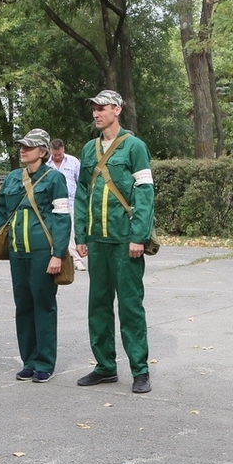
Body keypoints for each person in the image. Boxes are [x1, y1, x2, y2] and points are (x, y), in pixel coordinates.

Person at [75, 89, 156, 394]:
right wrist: (80, 235)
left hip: (125, 242)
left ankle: (140, 369)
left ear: (117, 110)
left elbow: (145, 193)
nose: (97, 113)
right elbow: (82, 194)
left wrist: (139, 236)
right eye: (94, 108)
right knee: (98, 305)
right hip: (97, 242)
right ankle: (105, 367)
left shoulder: (135, 147)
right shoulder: (87, 150)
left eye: (102, 108)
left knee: (131, 306)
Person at [0, 129, 71, 382]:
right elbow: (0, 214)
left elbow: (62, 219)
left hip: (43, 253)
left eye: (29, 147)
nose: (23, 150)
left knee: (43, 306)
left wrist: (58, 254)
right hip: (17, 252)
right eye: (21, 145)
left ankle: (44, 363)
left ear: (42, 152)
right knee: (23, 306)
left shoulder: (55, 179)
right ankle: (29, 360)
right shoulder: (12, 178)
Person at [48, 138, 85, 271]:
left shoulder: (73, 162)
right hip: (53, 203)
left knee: (70, 232)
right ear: (51, 151)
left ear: (63, 149)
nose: (57, 157)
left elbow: (80, 181)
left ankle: (76, 259)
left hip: (71, 201)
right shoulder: (47, 164)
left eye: (59, 154)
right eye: (55, 155)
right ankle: (64, 258)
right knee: (57, 232)